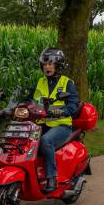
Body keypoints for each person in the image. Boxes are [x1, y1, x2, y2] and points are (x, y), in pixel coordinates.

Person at [28, 47, 80, 193]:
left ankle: (52, 177)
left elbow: (73, 105)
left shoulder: (67, 83)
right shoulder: (40, 82)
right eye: (45, 64)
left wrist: (58, 111)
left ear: (58, 66)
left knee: (46, 141)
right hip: (41, 124)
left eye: (50, 64)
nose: (47, 67)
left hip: (61, 125)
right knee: (23, 139)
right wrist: (15, 107)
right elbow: (29, 99)